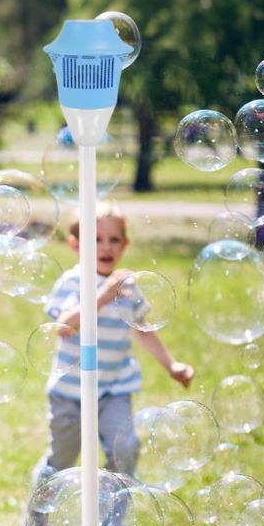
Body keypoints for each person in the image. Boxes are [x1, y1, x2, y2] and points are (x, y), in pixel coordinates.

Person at [34, 206, 194, 484]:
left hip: (114, 389)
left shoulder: (128, 287)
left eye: (114, 239)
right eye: (95, 239)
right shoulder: (73, 281)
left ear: (125, 244)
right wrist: (102, 295)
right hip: (69, 392)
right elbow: (63, 327)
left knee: (125, 450)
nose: (105, 247)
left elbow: (142, 330)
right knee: (62, 459)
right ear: (75, 244)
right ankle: (37, 519)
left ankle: (114, 524)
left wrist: (171, 364)